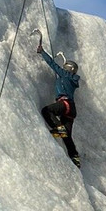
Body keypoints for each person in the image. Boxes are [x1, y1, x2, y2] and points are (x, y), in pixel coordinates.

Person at [35, 31, 82, 167]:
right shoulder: (72, 79)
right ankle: (75, 158)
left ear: (67, 69)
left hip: (65, 103)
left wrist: (42, 52)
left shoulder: (65, 75)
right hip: (71, 109)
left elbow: (53, 64)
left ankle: (58, 127)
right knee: (67, 136)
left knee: (46, 111)